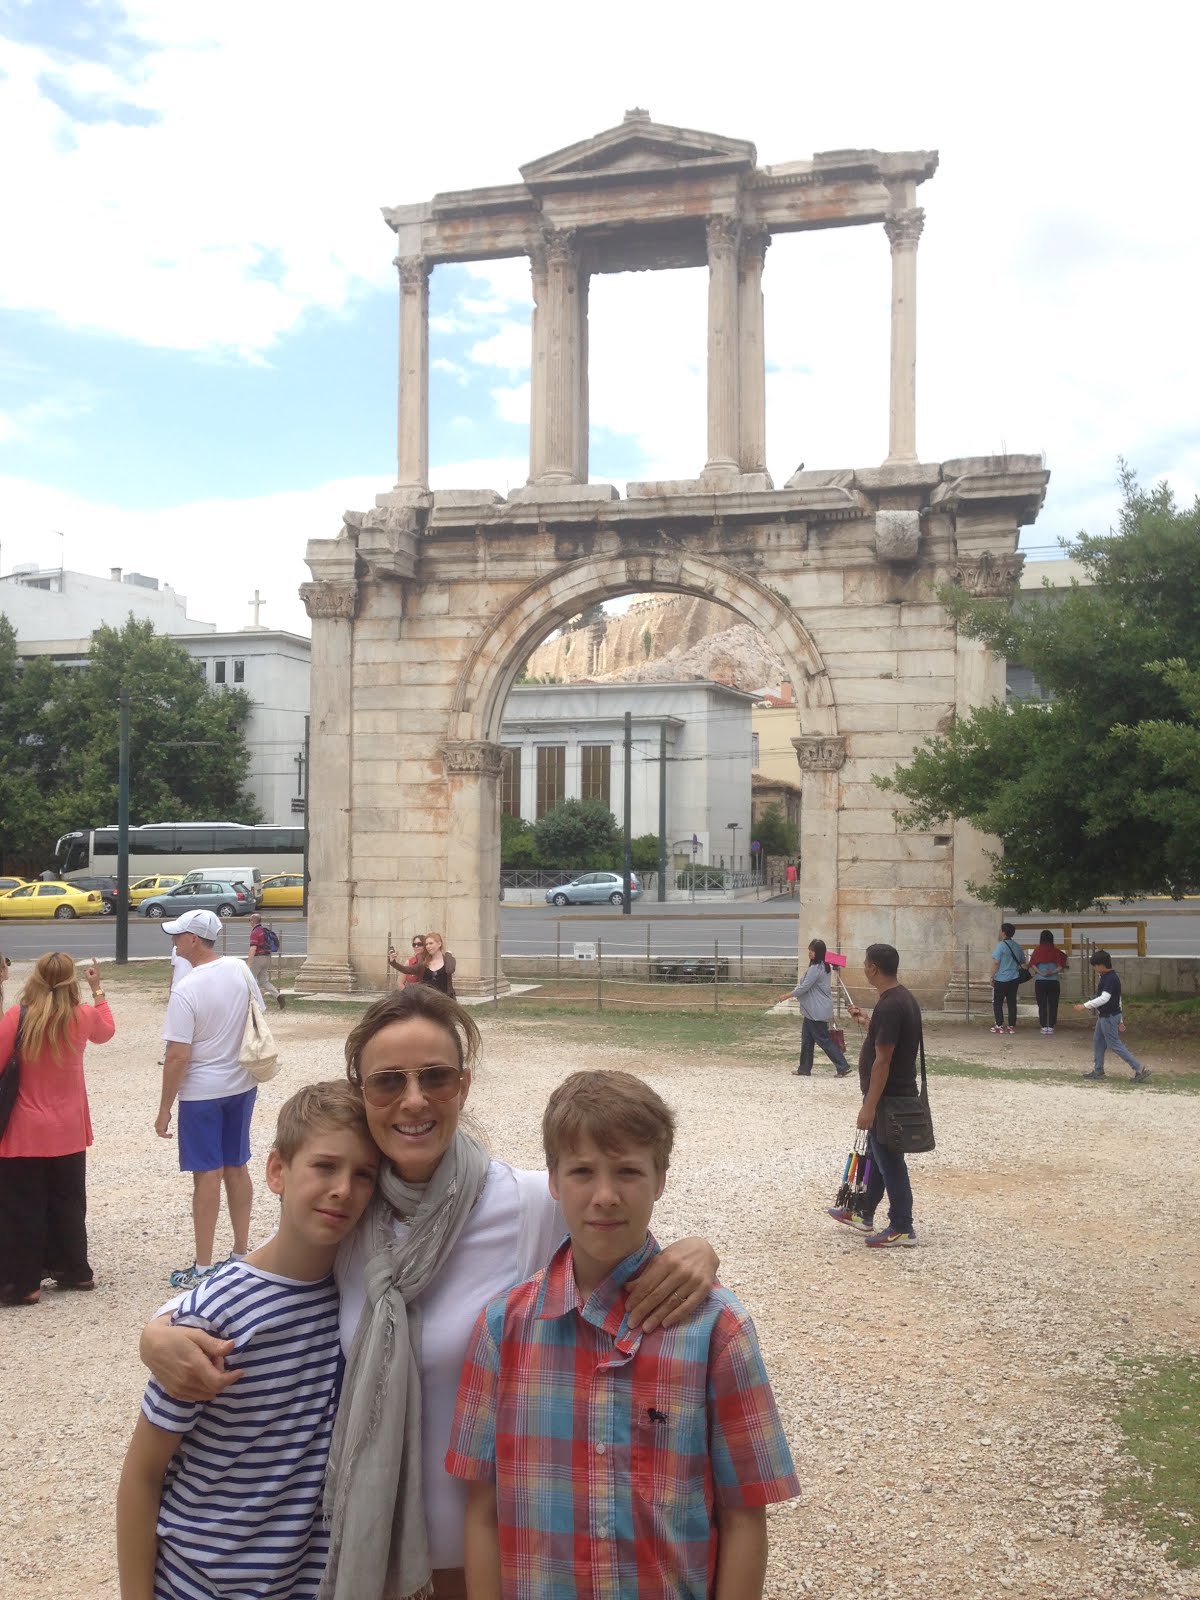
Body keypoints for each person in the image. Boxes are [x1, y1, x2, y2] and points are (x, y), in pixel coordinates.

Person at [139, 985, 718, 1600]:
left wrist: (699, 1250)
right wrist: (158, 1329)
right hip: (366, 1551)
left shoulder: (523, 1204)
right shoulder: (355, 1208)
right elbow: (267, 1279)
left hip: (490, 1557)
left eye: (434, 1078)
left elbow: (621, 1239)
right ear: (363, 1094)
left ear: (462, 1087)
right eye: (388, 1082)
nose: (413, 1101)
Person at [447, 1069, 800, 1600]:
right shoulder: (503, 1330)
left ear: (660, 1179)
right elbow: (482, 1512)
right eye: (583, 1171)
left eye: (629, 1172)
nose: (606, 1196)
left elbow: (744, 1517)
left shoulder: (717, 1332)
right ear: (553, 1180)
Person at [117, 1081, 380, 1600]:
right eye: (325, 1166)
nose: (343, 1189)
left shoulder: (358, 1294)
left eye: (363, 1175)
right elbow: (143, 1473)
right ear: (277, 1170)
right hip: (199, 1585)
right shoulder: (213, 1315)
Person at [157, 908, 265, 1290]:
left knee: (207, 1174)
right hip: (240, 1082)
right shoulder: (239, 969)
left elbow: (178, 1055)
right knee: (237, 1165)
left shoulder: (186, 989)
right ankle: (240, 1254)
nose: (173, 940)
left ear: (193, 940)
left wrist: (164, 1107)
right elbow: (258, 1014)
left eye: (177, 934)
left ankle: (203, 1266)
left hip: (202, 1090)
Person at [0, 951, 114, 1306]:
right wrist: (98, 990)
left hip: (25, 1127)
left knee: (23, 1206)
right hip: (68, 1127)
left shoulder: (18, 1017)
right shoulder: (81, 1015)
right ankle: (74, 1269)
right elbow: (107, 1032)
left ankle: (24, 1284)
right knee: (68, 1201)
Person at [827, 942, 923, 1248]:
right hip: (893, 1093)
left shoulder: (890, 1005)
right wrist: (869, 1022)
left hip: (888, 1096)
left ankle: (902, 1226)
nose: (864, 968)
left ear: (873, 968)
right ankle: (863, 1212)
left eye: (865, 964)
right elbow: (887, 1038)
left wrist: (869, 1106)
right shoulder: (901, 999)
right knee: (878, 1155)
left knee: (890, 1160)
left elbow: (884, 1059)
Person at [1076, 950, 1151, 1082]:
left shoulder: (1110, 978)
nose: (1094, 969)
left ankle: (1139, 1068)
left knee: (1114, 1044)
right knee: (1098, 1041)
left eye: (1095, 966)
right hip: (1106, 1016)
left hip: (1109, 1017)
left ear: (1101, 965)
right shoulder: (1108, 977)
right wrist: (1120, 1019)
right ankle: (1098, 1070)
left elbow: (1105, 998)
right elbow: (1118, 999)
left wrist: (1086, 1005)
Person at [786, 937, 851, 1076]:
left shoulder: (815, 969)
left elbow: (804, 987)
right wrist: (834, 962)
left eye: (812, 951)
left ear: (818, 953)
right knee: (807, 1040)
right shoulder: (825, 963)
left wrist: (786, 996)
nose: (809, 953)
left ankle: (843, 1066)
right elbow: (841, 960)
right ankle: (804, 1068)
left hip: (816, 1010)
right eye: (809, 950)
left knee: (823, 1040)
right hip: (813, 1010)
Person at [1028, 929, 1068, 1034]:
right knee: (1053, 1004)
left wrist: (1041, 973)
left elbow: (1032, 964)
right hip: (1053, 981)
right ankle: (1051, 1025)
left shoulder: (1037, 950)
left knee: (1042, 1004)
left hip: (1040, 981)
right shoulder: (1056, 951)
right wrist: (1052, 972)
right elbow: (1061, 966)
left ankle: (1043, 1025)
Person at [990, 921, 1026, 1034]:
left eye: (1000, 930)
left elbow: (996, 962)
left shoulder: (1000, 946)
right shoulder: (1017, 946)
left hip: (1001, 978)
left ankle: (999, 1025)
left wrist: (992, 976)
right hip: (1014, 978)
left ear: (1004, 932)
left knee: (998, 1002)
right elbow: (1023, 961)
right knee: (1012, 1002)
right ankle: (1011, 1026)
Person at [247, 912, 285, 1011]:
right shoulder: (263, 931)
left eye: (250, 920)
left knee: (249, 980)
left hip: (258, 959)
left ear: (252, 921)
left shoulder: (255, 932)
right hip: (267, 957)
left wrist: (248, 964)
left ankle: (253, 1003)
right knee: (264, 981)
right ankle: (278, 995)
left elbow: (253, 948)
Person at [421, 930, 456, 997]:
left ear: (439, 944)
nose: (428, 946)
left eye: (431, 943)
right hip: (429, 1000)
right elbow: (408, 970)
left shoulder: (448, 960)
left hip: (446, 999)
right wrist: (394, 963)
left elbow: (450, 970)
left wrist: (448, 954)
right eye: (426, 944)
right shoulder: (425, 962)